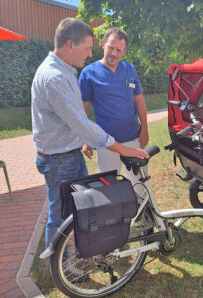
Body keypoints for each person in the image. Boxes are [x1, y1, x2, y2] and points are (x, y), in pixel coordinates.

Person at [31, 18, 148, 248]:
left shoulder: (66, 71)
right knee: (61, 215)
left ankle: (81, 251)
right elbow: (81, 120)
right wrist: (116, 146)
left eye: (120, 50)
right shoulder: (57, 77)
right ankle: (64, 265)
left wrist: (143, 127)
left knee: (79, 208)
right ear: (69, 44)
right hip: (62, 159)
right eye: (87, 48)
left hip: (69, 155)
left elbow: (77, 116)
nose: (88, 54)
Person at [78, 28, 149, 194]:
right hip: (106, 142)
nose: (114, 53)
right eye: (111, 47)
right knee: (109, 186)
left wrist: (144, 127)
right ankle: (115, 217)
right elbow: (83, 108)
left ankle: (145, 214)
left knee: (140, 183)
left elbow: (139, 99)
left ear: (124, 52)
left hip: (133, 138)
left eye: (119, 50)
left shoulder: (130, 69)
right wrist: (86, 138)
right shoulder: (88, 74)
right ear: (103, 45)